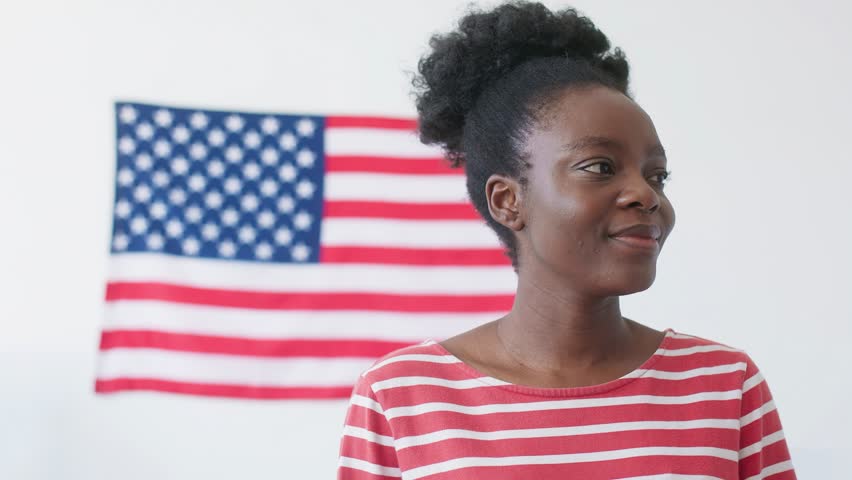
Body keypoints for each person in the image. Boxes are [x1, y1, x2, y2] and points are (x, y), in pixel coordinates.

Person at [337, 2, 796, 478]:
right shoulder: (401, 396)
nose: (645, 194)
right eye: (599, 167)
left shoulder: (724, 386)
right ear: (507, 200)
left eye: (657, 176)